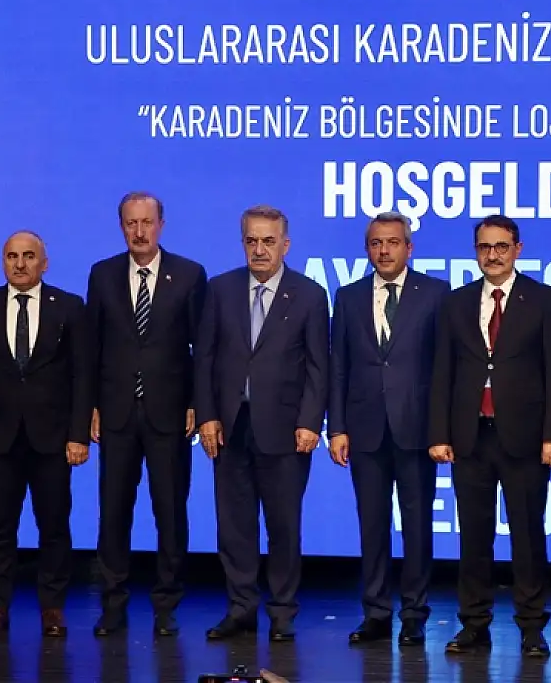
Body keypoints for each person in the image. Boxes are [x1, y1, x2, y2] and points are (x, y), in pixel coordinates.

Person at [429, 214, 551, 657]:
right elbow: (442, 371)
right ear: (476, 252)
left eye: (501, 246)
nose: (493, 255)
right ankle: (474, 624)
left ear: (517, 250)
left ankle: (531, 626)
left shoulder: (543, 300)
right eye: (485, 247)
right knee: (473, 537)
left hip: (525, 438)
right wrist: (439, 433)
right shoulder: (456, 302)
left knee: (527, 536)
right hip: (470, 437)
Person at [195, 205, 329, 642]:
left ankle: (283, 613)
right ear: (242, 243)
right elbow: (205, 358)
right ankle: (241, 609)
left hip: (287, 431)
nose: (259, 249)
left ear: (285, 245)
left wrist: (311, 421)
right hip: (230, 427)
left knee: (283, 526)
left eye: (268, 241)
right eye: (251, 240)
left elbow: (318, 366)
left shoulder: (309, 294)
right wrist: (207, 415)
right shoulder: (220, 289)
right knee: (234, 526)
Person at [0, 230, 92, 639]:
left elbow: (82, 376)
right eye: (12, 256)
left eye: (29, 256)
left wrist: (78, 435)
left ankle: (52, 607)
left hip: (52, 439)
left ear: (44, 263)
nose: (20, 264)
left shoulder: (69, 307)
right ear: (3, 261)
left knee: (54, 526)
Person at [87, 192, 207, 637]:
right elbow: (92, 347)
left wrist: (197, 403)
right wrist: (91, 407)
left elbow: (202, 348)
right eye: (131, 223)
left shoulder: (190, 275)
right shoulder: (102, 274)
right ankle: (112, 605)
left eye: (147, 222)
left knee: (170, 513)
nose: (139, 232)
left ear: (161, 225)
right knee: (113, 513)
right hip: (116, 413)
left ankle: (166, 607)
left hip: (170, 414)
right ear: (121, 226)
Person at [327, 211, 446, 647]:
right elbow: (339, 366)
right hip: (365, 430)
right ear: (367, 249)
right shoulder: (348, 296)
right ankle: (375, 613)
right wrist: (337, 427)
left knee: (417, 527)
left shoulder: (436, 293)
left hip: (416, 429)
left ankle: (414, 614)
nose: (384, 250)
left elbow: (443, 367)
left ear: (409, 248)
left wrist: (441, 430)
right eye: (376, 243)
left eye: (393, 242)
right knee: (372, 526)